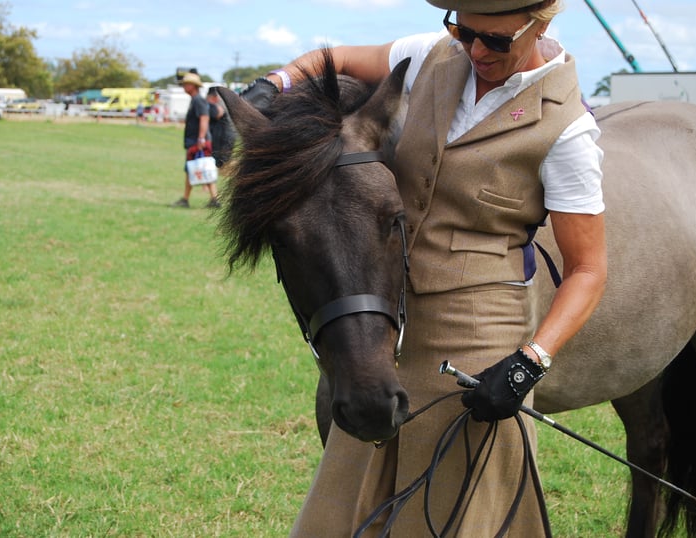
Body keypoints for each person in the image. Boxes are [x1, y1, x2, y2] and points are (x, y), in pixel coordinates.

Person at [241, 0, 607, 535]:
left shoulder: (567, 131)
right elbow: (335, 57)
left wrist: (529, 363)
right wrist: (273, 83)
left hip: (476, 331)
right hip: (388, 321)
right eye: (464, 31)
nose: (476, 50)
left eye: (496, 40)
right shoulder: (431, 55)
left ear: (541, 25)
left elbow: (588, 270)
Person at [170, 72, 219, 209]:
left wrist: (201, 138)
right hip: (195, 141)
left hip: (198, 142)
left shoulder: (198, 100)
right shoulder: (195, 100)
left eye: (186, 84)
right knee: (197, 168)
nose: (184, 86)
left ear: (193, 86)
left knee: (197, 168)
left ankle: (188, 199)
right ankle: (213, 198)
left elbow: (204, 118)